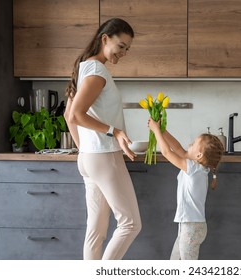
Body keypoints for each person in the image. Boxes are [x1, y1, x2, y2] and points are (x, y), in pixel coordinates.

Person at [64, 18, 141, 260]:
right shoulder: (97, 71)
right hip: (104, 157)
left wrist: (85, 149)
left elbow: (68, 115)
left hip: (89, 158)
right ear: (105, 38)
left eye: (128, 48)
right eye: (121, 45)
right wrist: (114, 132)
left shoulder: (84, 67)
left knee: (95, 231)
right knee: (130, 224)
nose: (124, 52)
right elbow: (76, 115)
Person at [148, 118, 224, 260]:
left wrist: (156, 131)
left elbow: (167, 152)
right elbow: (177, 149)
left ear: (199, 155)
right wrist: (163, 131)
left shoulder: (194, 168)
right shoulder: (197, 167)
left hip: (191, 228)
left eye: (194, 143)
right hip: (191, 226)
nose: (190, 144)